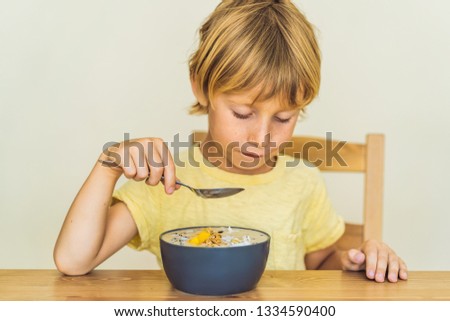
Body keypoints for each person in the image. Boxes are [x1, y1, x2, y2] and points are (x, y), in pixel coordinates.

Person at [54, 0, 407, 283]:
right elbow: (73, 260)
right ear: (200, 86)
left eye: (284, 118)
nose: (262, 138)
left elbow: (322, 263)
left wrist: (356, 262)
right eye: (242, 113)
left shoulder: (304, 181)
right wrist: (108, 167)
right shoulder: (165, 181)